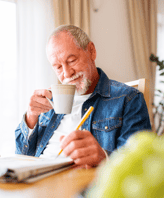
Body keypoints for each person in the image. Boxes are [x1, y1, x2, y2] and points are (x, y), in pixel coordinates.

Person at [15, 25, 151, 168]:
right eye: (58, 67)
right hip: (38, 180)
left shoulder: (128, 99)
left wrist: (104, 158)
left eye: (72, 60)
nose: (67, 74)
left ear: (91, 51)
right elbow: (21, 155)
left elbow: (140, 163)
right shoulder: (50, 101)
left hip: (81, 184)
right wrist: (31, 118)